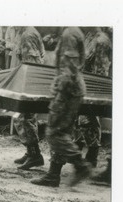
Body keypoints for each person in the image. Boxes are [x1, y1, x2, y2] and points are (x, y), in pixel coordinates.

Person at [32, 27, 93, 188]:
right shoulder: (72, 32)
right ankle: (53, 175)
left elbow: (69, 69)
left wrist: (59, 95)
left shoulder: (69, 34)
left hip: (67, 91)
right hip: (72, 90)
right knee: (62, 132)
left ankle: (81, 165)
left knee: (54, 132)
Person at [76, 27, 112, 168]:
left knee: (88, 121)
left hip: (92, 89)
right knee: (80, 121)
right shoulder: (87, 37)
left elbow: (101, 71)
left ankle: (92, 157)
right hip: (82, 85)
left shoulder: (100, 41)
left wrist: (92, 94)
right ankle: (79, 155)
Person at [13, 26, 46, 170]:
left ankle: (35, 155)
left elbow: (30, 64)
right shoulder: (28, 32)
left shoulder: (27, 34)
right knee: (25, 117)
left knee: (26, 117)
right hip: (32, 81)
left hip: (30, 82)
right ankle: (31, 152)